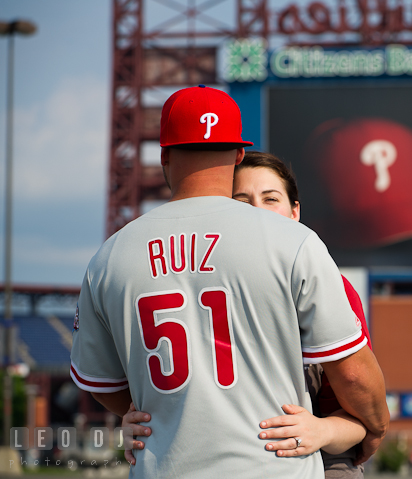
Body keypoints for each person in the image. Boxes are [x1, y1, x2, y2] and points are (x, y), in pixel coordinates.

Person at [69, 85, 389, 479]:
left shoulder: (110, 257)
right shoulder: (291, 240)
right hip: (273, 466)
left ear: (165, 154)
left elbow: (99, 381)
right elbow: (353, 374)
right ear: (238, 154)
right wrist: (376, 424)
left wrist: (149, 410)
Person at [123, 151, 376, 479]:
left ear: (295, 211)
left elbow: (357, 400)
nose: (257, 211)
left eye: (271, 198)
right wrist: (140, 419)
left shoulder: (329, 285)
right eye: (241, 200)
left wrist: (326, 430)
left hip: (314, 457)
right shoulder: (186, 286)